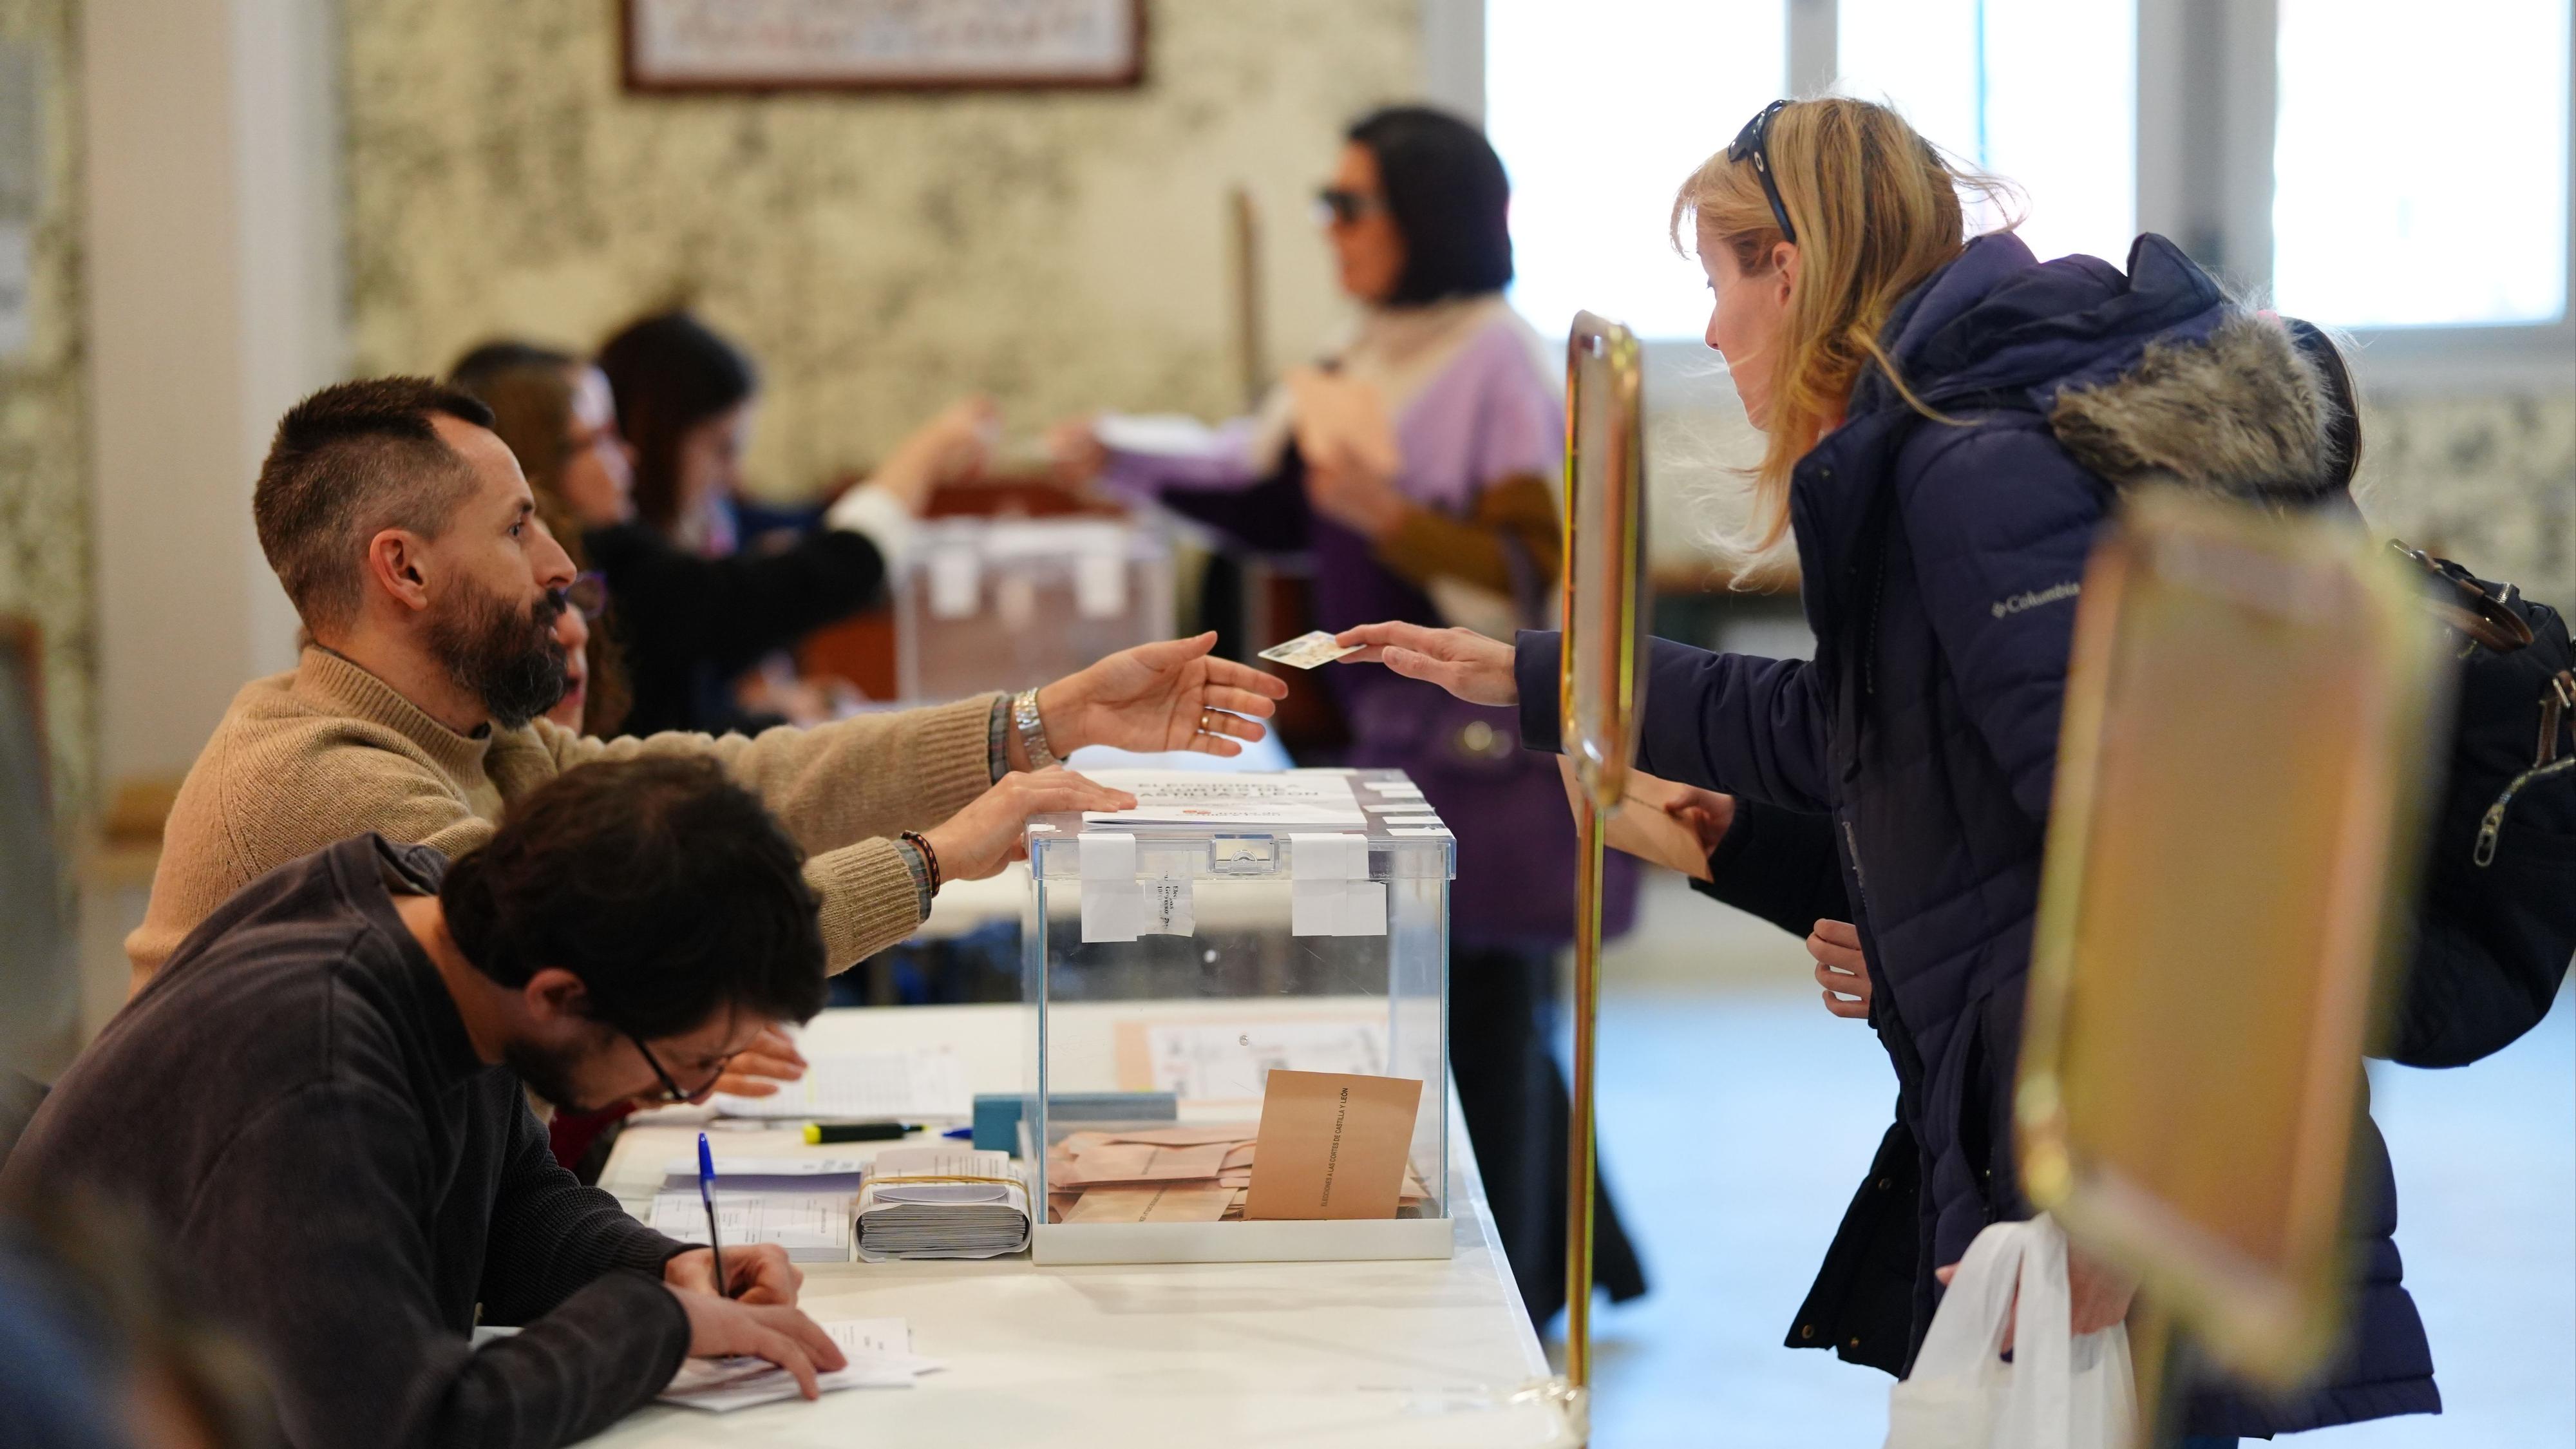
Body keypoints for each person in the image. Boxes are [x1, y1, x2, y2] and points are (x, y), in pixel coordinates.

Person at [1340, 98, 2435, 1440]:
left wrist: (2122, 1206)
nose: (1714, 333)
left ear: (1789, 270)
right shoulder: (1943, 444)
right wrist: (1550, 679)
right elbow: (1863, 733)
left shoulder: (1975, 468)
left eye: (1717, 284)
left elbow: (2166, 837)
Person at [124, 377, 1291, 1030]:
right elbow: (627, 958)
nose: (560, 569)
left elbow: (738, 786)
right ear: (405, 568)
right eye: (520, 529)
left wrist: (1041, 721)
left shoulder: (486, 745)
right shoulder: (329, 782)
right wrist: (936, 859)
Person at [1050, 104, 1647, 1327]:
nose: (1330, 228)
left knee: (1485, 1021)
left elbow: (1544, 570)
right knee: (1479, 1018)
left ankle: (1519, 1308)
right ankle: (1561, 1271)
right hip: (1403, 733)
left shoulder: (1496, 360)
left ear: (1423, 215)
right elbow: (1272, 496)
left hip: (1478, 740)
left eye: (1350, 205)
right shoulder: (1372, 347)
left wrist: (1392, 519)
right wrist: (1119, 457)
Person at [7, 759, 865, 1448]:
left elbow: (511, 1208)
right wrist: (657, 1324)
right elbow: (400, 1427)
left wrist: (661, 1266)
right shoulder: (323, 1065)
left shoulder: (456, 934)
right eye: (681, 1067)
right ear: (559, 995)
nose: (689, 1095)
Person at [592, 310, 994, 734]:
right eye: (721, 448)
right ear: (652, 438)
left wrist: (776, 707)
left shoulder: (717, 523)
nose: (733, 475)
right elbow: (824, 566)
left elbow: (814, 546)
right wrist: (928, 454)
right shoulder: (628, 568)